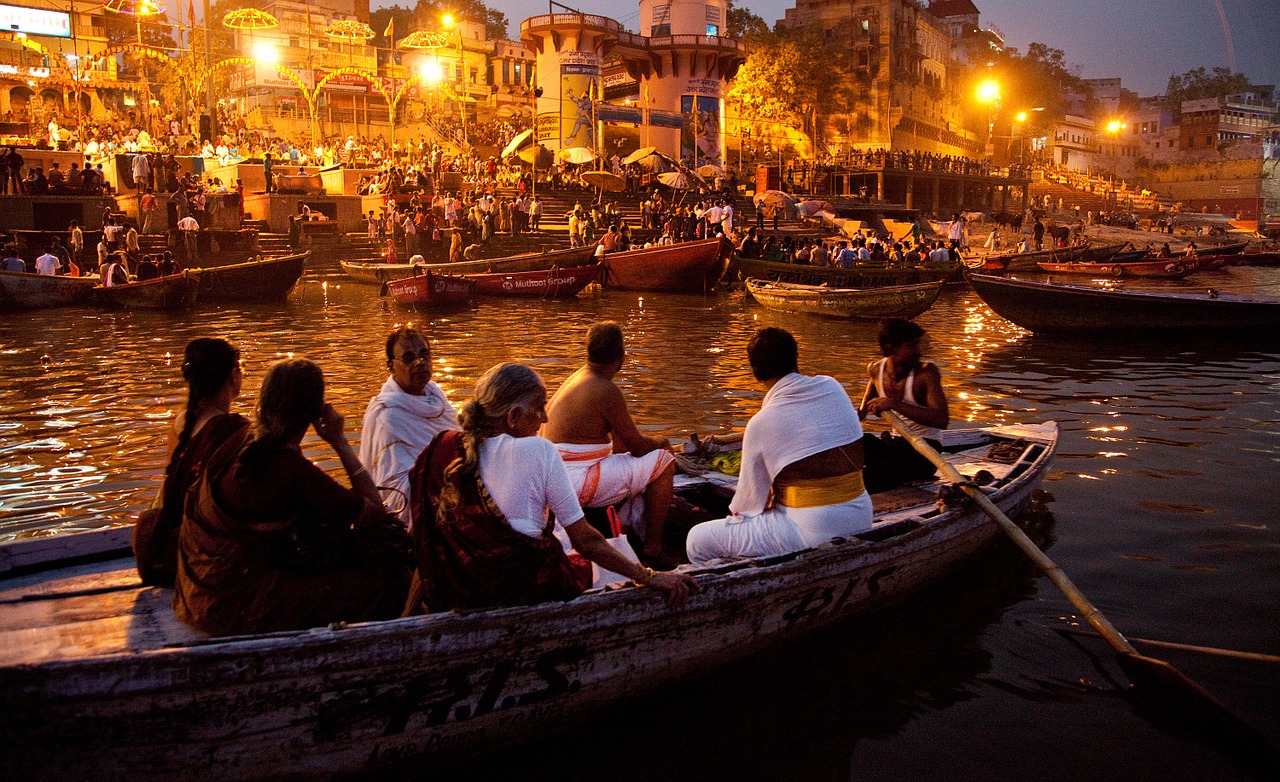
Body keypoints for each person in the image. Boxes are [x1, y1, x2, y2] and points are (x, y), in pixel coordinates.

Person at [403, 362, 695, 614]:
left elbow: (427, 540)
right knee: (585, 560)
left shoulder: (443, 448)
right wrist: (649, 575)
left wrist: (407, 616)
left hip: (462, 588)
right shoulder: (539, 450)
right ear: (512, 417)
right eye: (539, 407)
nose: (544, 419)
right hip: (524, 584)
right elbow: (585, 540)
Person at [174, 358, 411, 636]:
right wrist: (339, 441)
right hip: (234, 605)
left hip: (197, 592)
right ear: (314, 411)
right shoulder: (290, 469)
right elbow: (375, 511)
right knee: (392, 585)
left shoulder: (241, 442)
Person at [685, 327, 873, 565]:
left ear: (757, 373)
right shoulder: (832, 386)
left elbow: (750, 505)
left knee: (697, 539)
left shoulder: (761, 423)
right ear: (795, 359)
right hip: (862, 515)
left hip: (813, 531)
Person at [543, 322, 678, 565]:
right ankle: (653, 549)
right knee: (663, 462)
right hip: (576, 480)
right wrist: (661, 442)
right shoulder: (605, 388)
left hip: (559, 476)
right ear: (621, 357)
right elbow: (636, 446)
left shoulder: (578, 379)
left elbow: (619, 445)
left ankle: (623, 532)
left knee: (641, 467)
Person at [133, 338, 249, 586]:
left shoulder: (182, 421)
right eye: (240, 368)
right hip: (196, 552)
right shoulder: (234, 432)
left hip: (166, 546)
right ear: (231, 376)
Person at [359, 326, 460, 526]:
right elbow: (397, 487)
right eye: (408, 358)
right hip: (419, 512)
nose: (419, 362)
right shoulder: (388, 415)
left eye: (424, 355)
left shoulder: (437, 397)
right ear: (391, 366)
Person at [858, 318, 949, 493]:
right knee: (856, 443)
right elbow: (866, 403)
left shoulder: (926, 373)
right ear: (891, 348)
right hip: (897, 445)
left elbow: (941, 419)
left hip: (926, 453)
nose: (918, 351)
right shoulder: (876, 369)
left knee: (871, 476)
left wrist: (893, 404)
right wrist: (859, 415)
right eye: (911, 346)